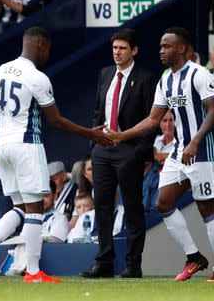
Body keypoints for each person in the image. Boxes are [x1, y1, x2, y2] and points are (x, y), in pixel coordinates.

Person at [0, 26, 112, 283]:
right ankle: (34, 272)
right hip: (27, 144)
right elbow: (57, 121)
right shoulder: (37, 77)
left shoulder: (1, 70)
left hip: (3, 145)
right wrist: (90, 133)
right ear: (39, 44)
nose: (48, 54)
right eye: (47, 48)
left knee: (19, 207)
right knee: (35, 209)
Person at [107, 27, 214, 282]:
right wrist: (121, 135)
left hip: (204, 150)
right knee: (163, 203)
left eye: (166, 46)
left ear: (181, 48)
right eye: (160, 46)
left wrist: (195, 141)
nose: (161, 50)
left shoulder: (199, 74)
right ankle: (194, 257)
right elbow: (153, 119)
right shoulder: (165, 79)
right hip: (179, 151)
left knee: (206, 207)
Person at [80, 28, 156, 279]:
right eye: (114, 48)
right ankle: (104, 262)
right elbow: (97, 111)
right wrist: (94, 144)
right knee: (101, 204)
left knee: (132, 207)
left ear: (134, 50)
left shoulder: (146, 77)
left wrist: (141, 152)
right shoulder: (105, 73)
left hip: (129, 150)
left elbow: (151, 119)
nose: (117, 52)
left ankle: (134, 265)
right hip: (102, 150)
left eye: (122, 48)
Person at [142, 110, 175, 213]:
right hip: (150, 179)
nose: (168, 125)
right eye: (164, 121)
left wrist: (157, 156)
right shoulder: (155, 140)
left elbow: (156, 157)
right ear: (160, 124)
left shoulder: (181, 141)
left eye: (171, 120)